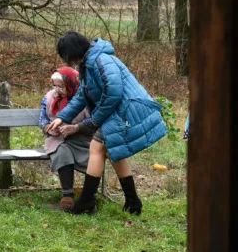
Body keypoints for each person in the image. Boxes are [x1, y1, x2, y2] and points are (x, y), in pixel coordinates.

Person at [47, 31, 167, 215]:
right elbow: (82, 96)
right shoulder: (88, 63)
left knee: (96, 146)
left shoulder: (100, 60)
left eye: (66, 55)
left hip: (128, 110)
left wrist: (94, 120)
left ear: (72, 51)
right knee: (113, 150)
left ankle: (87, 202)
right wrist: (62, 117)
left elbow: (114, 93)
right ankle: (133, 202)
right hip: (119, 111)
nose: (67, 59)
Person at [38, 66, 93, 211]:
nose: (57, 90)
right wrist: (47, 127)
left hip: (82, 139)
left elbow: (94, 121)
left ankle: (89, 195)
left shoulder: (84, 97)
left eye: (61, 86)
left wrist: (75, 128)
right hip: (57, 139)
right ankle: (67, 194)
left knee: (93, 157)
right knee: (62, 151)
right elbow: (42, 117)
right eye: (54, 85)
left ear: (71, 84)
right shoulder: (49, 97)